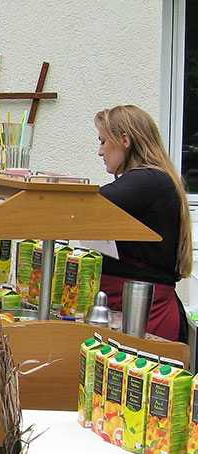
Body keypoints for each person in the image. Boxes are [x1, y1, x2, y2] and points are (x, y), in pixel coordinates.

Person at [94, 105, 192, 342]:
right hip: (129, 308)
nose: (100, 152)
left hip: (147, 316)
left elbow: (89, 204)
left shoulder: (150, 180)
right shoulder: (151, 180)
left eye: (103, 141)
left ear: (125, 140)